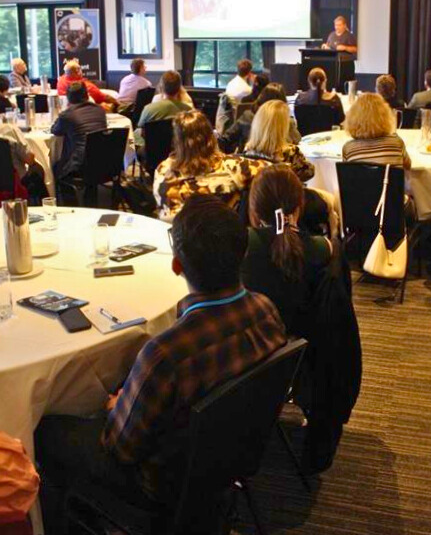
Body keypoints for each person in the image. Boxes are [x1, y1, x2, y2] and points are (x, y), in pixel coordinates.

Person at [34, 194, 286, 534]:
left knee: (45, 429)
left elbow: (121, 449)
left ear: (176, 266)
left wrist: (115, 407)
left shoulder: (164, 354)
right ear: (243, 254)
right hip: (231, 456)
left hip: (161, 486)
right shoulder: (267, 310)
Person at [242, 166, 361, 473]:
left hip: (244, 362)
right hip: (306, 358)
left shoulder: (241, 248)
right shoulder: (327, 251)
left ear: (253, 208)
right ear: (299, 206)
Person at [153, 109, 268, 220]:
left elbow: (165, 215)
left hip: (177, 232)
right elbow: (273, 170)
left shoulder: (163, 171)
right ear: (211, 137)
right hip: (227, 230)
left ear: (176, 141)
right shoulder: (235, 167)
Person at [218, 82, 300, 154]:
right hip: (279, 161)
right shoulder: (287, 121)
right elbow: (297, 141)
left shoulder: (247, 117)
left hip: (248, 161)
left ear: (261, 97)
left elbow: (225, 140)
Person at [243, 100, 314, 182]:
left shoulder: (247, 150)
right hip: (286, 189)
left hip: (259, 189)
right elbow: (309, 172)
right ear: (282, 127)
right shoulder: (290, 152)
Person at [51, 82, 107, 181]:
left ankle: (64, 191)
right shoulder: (100, 110)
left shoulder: (67, 115)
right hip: (104, 161)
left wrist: (62, 114)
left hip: (80, 166)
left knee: (54, 167)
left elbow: (55, 130)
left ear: (68, 99)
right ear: (87, 95)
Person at [343, 93, 411, 169]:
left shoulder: (348, 149)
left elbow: (346, 174)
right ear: (385, 116)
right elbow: (407, 167)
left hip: (360, 177)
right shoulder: (397, 143)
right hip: (388, 177)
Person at [0, 122, 48, 203]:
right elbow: (29, 159)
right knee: (38, 170)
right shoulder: (9, 129)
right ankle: (46, 205)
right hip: (16, 185)